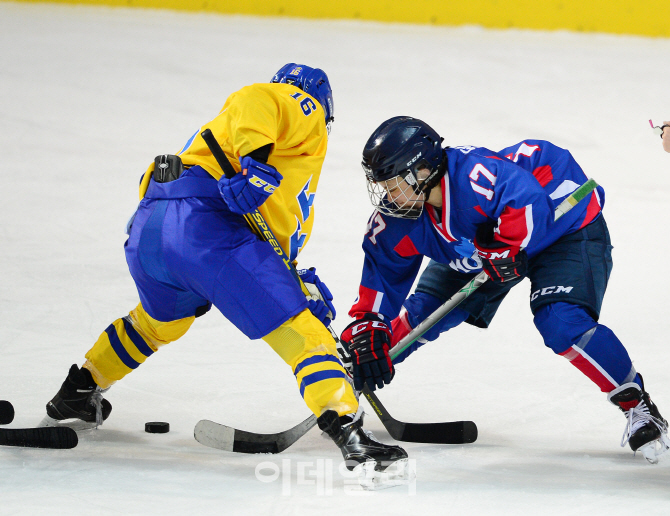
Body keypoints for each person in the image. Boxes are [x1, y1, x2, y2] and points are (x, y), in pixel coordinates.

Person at [43, 64, 407, 474]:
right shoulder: (303, 112)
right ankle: (347, 427)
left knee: (158, 323)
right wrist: (255, 165)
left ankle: (80, 388)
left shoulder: (266, 160)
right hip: (206, 229)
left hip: (152, 227)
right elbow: (257, 98)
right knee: (302, 332)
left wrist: (293, 282)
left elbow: (265, 235)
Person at [340, 116, 669, 463]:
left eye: (392, 184)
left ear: (422, 172)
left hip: (563, 230)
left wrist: (505, 246)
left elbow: (526, 197)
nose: (385, 195)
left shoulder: (472, 179)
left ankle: (638, 406)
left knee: (561, 322)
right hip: (483, 245)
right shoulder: (398, 217)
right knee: (420, 315)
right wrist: (370, 325)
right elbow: (383, 272)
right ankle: (345, 382)